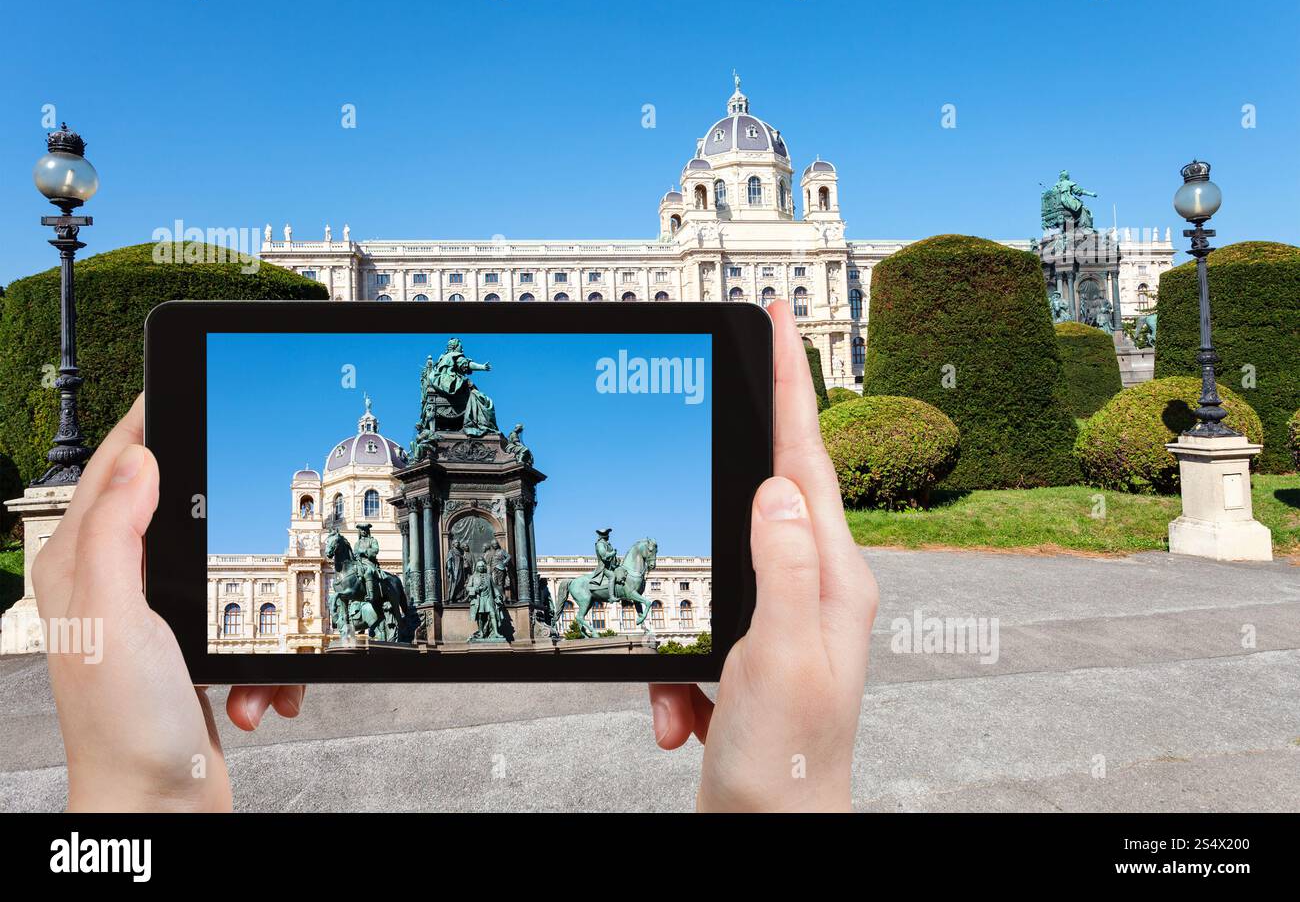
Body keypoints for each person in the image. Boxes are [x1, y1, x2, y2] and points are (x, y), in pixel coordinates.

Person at [32, 300, 876, 812]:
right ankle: (473, 617)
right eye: (350, 501)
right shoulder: (393, 474)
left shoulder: (458, 405)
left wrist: (144, 801)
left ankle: (500, 616)